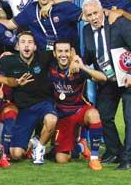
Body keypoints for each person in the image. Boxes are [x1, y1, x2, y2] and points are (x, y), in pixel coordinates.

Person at [80, 0, 131, 170]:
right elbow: (90, 55)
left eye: (96, 13)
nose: (94, 17)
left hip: (130, 76)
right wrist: (79, 62)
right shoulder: (86, 31)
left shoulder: (119, 23)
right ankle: (115, 151)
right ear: (85, 17)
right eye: (89, 15)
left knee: (130, 117)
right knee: (103, 114)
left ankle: (128, 159)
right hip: (109, 80)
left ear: (103, 11)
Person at [0, 32, 58, 164]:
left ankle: (39, 149)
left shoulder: (43, 56)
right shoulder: (9, 61)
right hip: (24, 109)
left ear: (35, 47)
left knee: (52, 120)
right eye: (23, 42)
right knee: (16, 154)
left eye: (30, 42)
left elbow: (62, 52)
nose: (26, 45)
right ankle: (33, 142)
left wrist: (76, 61)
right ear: (17, 47)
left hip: (43, 104)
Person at [45, 40, 106, 170]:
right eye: (60, 51)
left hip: (79, 110)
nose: (63, 54)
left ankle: (94, 158)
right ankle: (80, 146)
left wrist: (83, 67)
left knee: (94, 114)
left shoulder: (78, 68)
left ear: (71, 53)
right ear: (54, 53)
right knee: (61, 159)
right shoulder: (49, 68)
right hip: (62, 115)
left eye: (66, 51)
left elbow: (103, 77)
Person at [0, 0, 81, 53]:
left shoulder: (62, 4)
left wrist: (50, 3)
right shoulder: (31, 10)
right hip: (46, 57)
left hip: (69, 55)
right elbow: (10, 24)